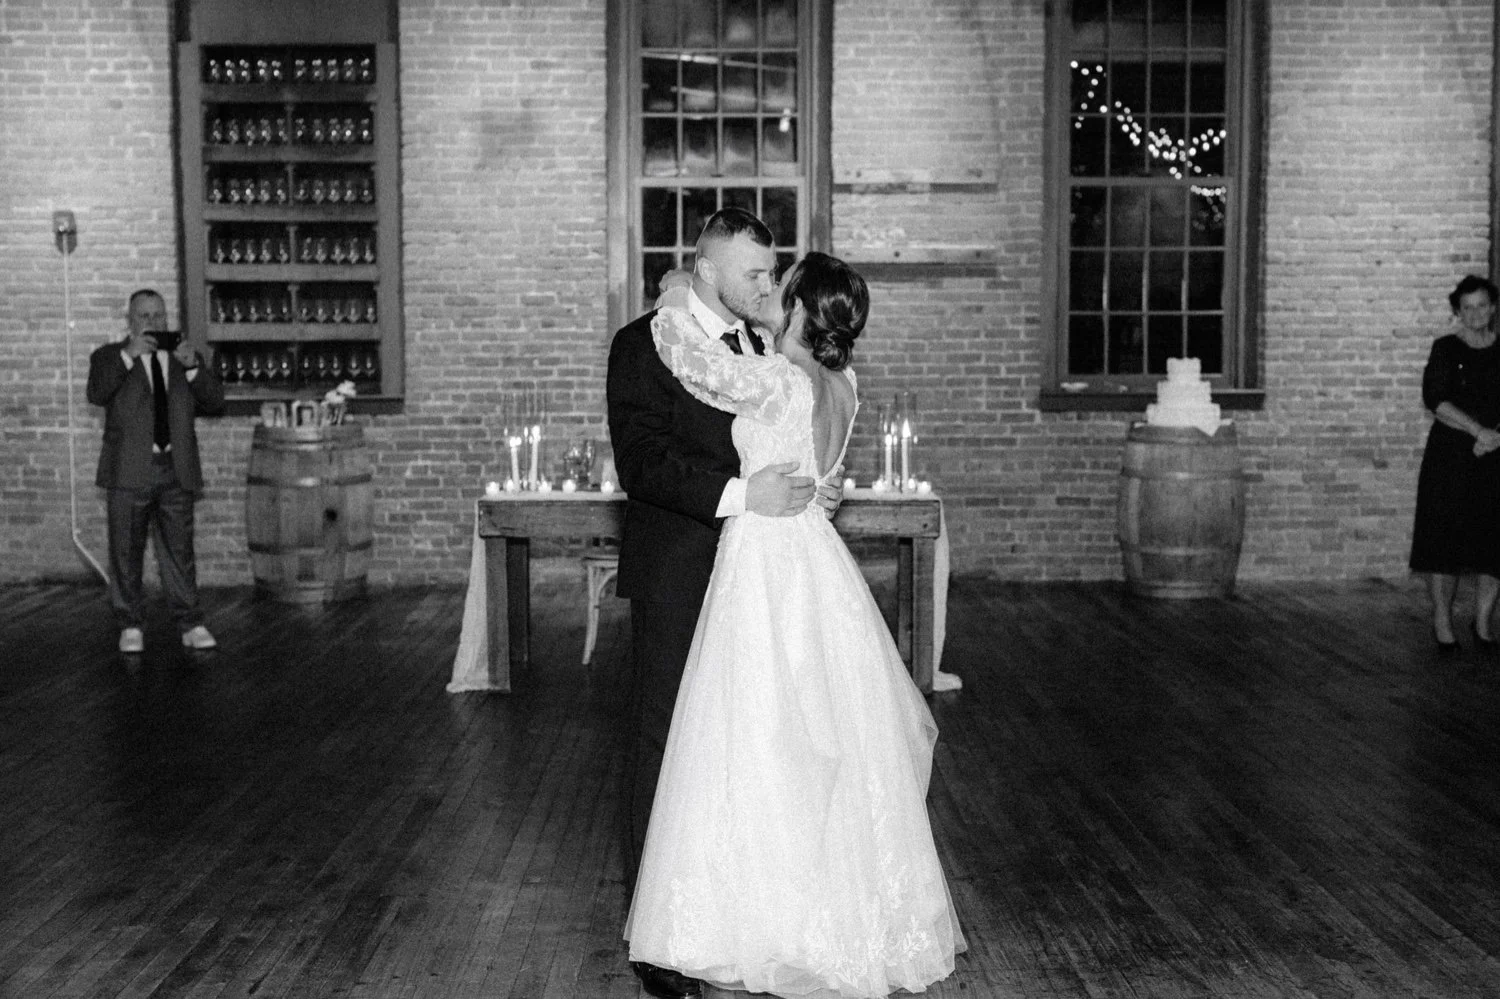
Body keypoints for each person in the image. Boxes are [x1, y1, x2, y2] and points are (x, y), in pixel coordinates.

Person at [623, 252, 965, 997]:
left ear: (804, 308)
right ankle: (831, 905)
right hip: (816, 557)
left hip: (768, 564)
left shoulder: (781, 378)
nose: (770, 294)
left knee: (756, 732)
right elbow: (825, 475)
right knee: (822, 736)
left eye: (781, 288)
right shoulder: (846, 382)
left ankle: (762, 912)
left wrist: (678, 298)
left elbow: (690, 366)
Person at [606, 208, 841, 999]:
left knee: (742, 746)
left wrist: (803, 492)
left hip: (756, 581)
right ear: (704, 270)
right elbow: (643, 463)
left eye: (771, 275)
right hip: (679, 569)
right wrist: (748, 494)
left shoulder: (759, 347)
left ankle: (728, 910)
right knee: (663, 739)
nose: (766, 286)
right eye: (753, 274)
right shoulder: (641, 345)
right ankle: (657, 939)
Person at [87, 288, 225, 654]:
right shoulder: (107, 357)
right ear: (129, 322)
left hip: (175, 470)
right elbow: (97, 393)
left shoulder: (184, 357)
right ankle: (130, 623)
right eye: (145, 316)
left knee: (180, 551)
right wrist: (127, 357)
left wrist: (194, 366)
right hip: (128, 470)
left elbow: (215, 400)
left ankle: (190, 622)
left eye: (160, 316)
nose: (154, 323)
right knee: (125, 551)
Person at [1409, 274, 1500, 652]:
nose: (1475, 313)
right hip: (1451, 454)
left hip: (1496, 452)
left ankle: (1482, 621)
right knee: (1442, 538)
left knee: (1492, 540)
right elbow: (1437, 400)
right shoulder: (1445, 349)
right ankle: (1443, 619)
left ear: (1493, 307)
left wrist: (1493, 437)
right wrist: (1477, 432)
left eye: (1482, 305)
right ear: (1457, 312)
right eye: (1467, 307)